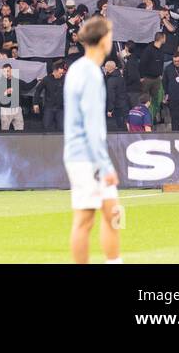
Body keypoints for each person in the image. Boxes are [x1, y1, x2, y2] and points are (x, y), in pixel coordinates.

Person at [63, 16, 122, 264]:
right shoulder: (90, 73)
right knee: (88, 220)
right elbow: (92, 123)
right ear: (103, 39)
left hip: (79, 154)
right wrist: (105, 164)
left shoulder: (77, 68)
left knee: (111, 214)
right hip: (88, 157)